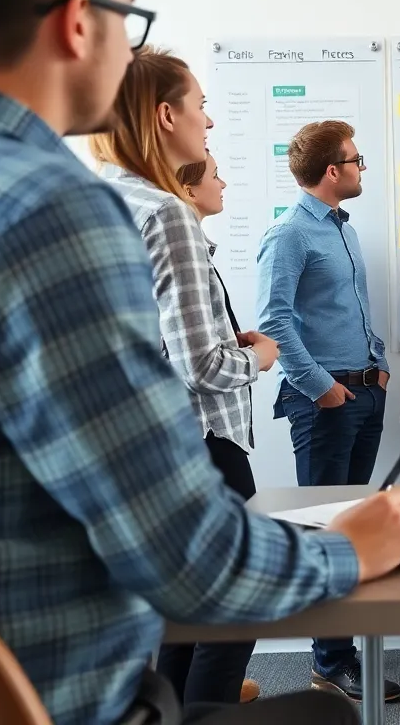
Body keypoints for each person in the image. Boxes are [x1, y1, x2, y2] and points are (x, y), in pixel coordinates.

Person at [0, 0, 400, 725]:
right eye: (129, 17)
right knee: (328, 717)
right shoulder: (57, 211)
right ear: (78, 21)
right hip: (77, 697)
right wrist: (348, 550)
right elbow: (190, 557)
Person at [90, 50, 278, 708]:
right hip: (205, 449)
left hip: (146, 449)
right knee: (236, 612)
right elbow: (201, 365)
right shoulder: (167, 213)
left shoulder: (104, 197)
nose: (210, 121)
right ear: (167, 116)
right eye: (201, 105)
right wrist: (260, 358)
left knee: (183, 617)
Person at [257, 119, 399, 703]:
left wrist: (379, 365)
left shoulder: (343, 228)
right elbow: (273, 320)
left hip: (364, 391)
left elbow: (355, 307)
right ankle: (329, 663)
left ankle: (341, 654)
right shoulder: (289, 234)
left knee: (352, 529)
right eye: (356, 160)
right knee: (325, 532)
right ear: (333, 170)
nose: (363, 168)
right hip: (325, 401)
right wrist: (321, 387)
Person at [175, 150, 265, 704]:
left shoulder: (187, 242)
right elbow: (199, 367)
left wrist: (234, 343)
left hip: (198, 437)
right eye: (214, 175)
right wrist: (259, 358)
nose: (224, 182)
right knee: (241, 593)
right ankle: (209, 705)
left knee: (196, 593)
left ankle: (186, 700)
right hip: (210, 439)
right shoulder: (176, 235)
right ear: (188, 190)